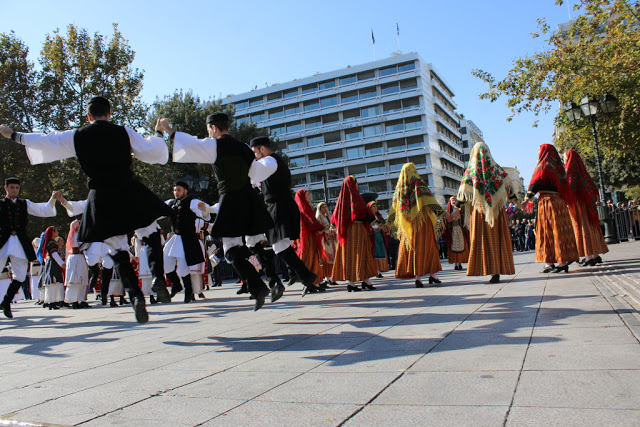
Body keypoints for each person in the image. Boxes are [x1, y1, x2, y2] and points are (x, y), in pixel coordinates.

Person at [1, 96, 173, 323]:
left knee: (117, 249)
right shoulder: (123, 131)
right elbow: (150, 150)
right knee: (150, 233)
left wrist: (13, 135)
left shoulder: (77, 135)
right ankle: (158, 278)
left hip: (101, 195)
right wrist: (159, 134)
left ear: (88, 116)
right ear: (109, 114)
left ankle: (135, 297)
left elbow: (47, 140)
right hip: (128, 188)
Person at [160, 113, 273, 310]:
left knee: (230, 248)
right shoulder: (244, 148)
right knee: (241, 243)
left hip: (231, 199)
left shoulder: (216, 145)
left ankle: (257, 286)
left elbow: (193, 145)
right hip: (248, 198)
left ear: (212, 127)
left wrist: (169, 131)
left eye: (208, 130)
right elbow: (254, 174)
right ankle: (259, 283)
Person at [248, 136, 319, 297]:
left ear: (263, 149)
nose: (254, 156)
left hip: (280, 207)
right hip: (278, 206)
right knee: (280, 246)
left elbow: (255, 174)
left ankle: (305, 275)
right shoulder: (270, 162)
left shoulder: (270, 162)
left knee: (280, 246)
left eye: (255, 152)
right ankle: (299, 274)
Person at [457, 142, 517, 283]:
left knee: (483, 239)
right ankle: (496, 270)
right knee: (497, 238)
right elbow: (510, 191)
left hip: (479, 212)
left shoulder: (470, 171)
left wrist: (457, 209)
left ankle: (485, 268)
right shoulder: (497, 170)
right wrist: (518, 203)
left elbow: (462, 195)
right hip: (497, 212)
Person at [0, 178, 57, 318]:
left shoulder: (25, 203)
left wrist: (53, 198)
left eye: (17, 188)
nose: (14, 190)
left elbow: (43, 210)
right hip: (2, 241)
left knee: (19, 275)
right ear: (5, 188)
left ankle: (6, 302)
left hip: (20, 243)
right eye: (12, 187)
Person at [522, 144, 578, 273]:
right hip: (559, 202)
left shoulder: (543, 166)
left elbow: (536, 182)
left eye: (538, 151)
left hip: (547, 202)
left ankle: (557, 262)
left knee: (548, 231)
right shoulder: (559, 169)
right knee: (560, 230)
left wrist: (526, 200)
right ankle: (555, 261)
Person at [388, 163, 444, 288]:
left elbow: (394, 208)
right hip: (423, 222)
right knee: (429, 247)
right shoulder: (418, 184)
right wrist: (442, 214)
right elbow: (429, 201)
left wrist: (390, 223)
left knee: (413, 249)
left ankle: (420, 278)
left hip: (408, 225)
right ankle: (431, 275)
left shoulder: (399, 188)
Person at [163, 182, 211, 303]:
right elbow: (157, 211)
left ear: (185, 191)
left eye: (178, 190)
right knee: (165, 263)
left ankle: (188, 291)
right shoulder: (170, 203)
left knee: (183, 267)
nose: (176, 192)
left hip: (187, 239)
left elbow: (205, 215)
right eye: (174, 190)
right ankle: (176, 284)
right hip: (174, 237)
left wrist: (204, 210)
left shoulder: (192, 202)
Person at [331, 176, 378, 291]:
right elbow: (363, 212)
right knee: (362, 253)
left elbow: (334, 219)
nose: (357, 185)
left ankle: (359, 282)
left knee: (351, 256)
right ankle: (357, 282)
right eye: (356, 183)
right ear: (353, 184)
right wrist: (377, 224)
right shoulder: (356, 197)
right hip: (357, 230)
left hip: (346, 232)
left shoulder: (341, 201)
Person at [563, 150, 608, 266]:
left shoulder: (570, 172)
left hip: (577, 205)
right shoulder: (583, 172)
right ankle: (595, 255)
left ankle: (588, 257)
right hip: (588, 205)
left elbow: (568, 189)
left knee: (582, 229)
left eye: (564, 158)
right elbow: (592, 188)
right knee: (590, 228)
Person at [293, 189, 325, 292]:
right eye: (307, 194)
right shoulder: (303, 207)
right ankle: (310, 282)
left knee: (313, 258)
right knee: (309, 258)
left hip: (309, 236)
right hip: (307, 237)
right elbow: (310, 220)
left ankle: (313, 282)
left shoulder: (305, 206)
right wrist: (320, 227)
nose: (309, 196)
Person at [37, 226, 66, 309]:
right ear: (52, 233)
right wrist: (62, 263)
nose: (58, 232)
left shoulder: (51, 242)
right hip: (53, 264)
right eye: (56, 231)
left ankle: (52, 301)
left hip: (53, 263)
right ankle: (51, 302)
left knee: (54, 282)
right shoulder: (51, 243)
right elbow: (54, 254)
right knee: (52, 282)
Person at [64, 219, 90, 309]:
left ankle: (78, 300)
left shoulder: (72, 236)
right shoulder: (78, 236)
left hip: (74, 258)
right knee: (78, 279)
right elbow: (84, 246)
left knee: (77, 280)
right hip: (78, 258)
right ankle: (77, 300)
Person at [443, 196, 470, 271]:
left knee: (461, 245)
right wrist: (450, 220)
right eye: (452, 201)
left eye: (455, 200)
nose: (454, 202)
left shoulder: (460, 210)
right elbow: (445, 222)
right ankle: (456, 263)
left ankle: (460, 262)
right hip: (452, 231)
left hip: (460, 229)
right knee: (453, 246)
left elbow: (464, 219)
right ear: (450, 202)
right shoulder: (447, 212)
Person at [315, 202, 337, 285]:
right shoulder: (318, 218)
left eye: (325, 207)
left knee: (332, 258)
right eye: (323, 207)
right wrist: (326, 231)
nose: (325, 209)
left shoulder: (327, 217)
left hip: (331, 239)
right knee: (326, 258)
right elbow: (318, 230)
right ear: (319, 209)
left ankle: (331, 277)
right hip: (324, 240)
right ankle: (327, 277)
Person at [367, 201, 390, 277]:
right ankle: (377, 271)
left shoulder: (378, 216)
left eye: (376, 206)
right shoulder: (369, 217)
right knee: (375, 251)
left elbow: (383, 223)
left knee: (381, 251)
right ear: (370, 208)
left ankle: (380, 268)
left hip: (379, 235)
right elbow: (371, 225)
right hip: (373, 235)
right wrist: (380, 226)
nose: (375, 207)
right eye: (373, 206)